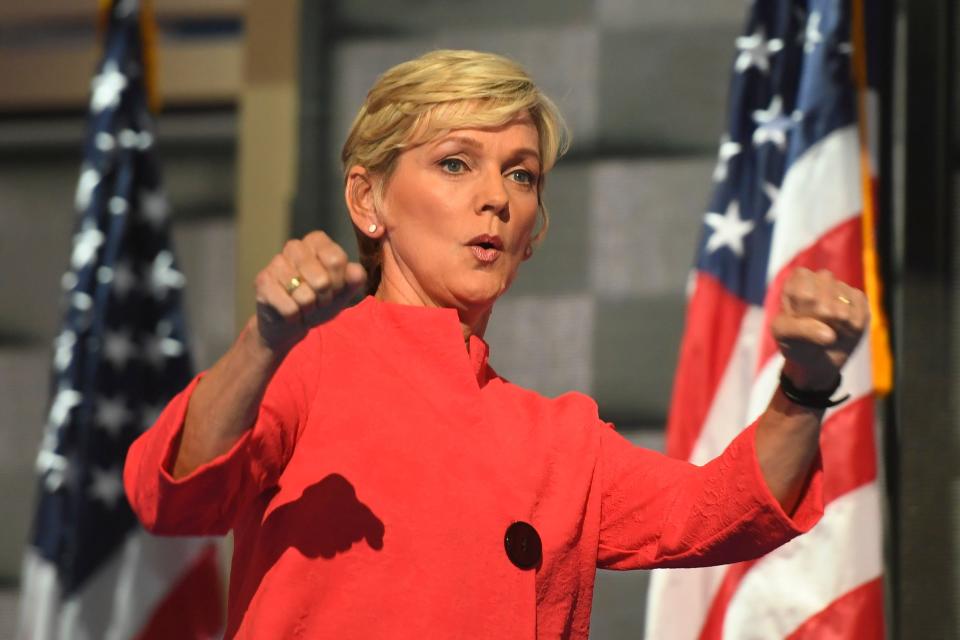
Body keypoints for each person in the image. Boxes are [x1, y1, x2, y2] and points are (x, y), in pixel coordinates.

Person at [123, 49, 868, 639]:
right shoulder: (308, 363)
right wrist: (265, 339)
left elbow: (718, 510)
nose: (497, 196)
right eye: (456, 162)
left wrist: (804, 385)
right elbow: (175, 496)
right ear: (368, 200)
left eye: (521, 174)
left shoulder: (560, 441)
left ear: (531, 234)